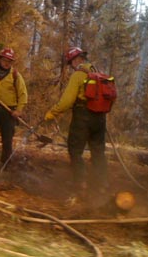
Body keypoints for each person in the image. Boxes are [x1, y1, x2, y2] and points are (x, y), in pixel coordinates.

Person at [44, 47, 108, 192]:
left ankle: (81, 184)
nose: (71, 66)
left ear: (75, 60)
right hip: (100, 117)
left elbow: (67, 101)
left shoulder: (78, 75)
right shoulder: (98, 72)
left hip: (83, 117)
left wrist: (52, 112)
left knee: (75, 150)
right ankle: (102, 185)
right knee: (98, 151)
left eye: (70, 63)